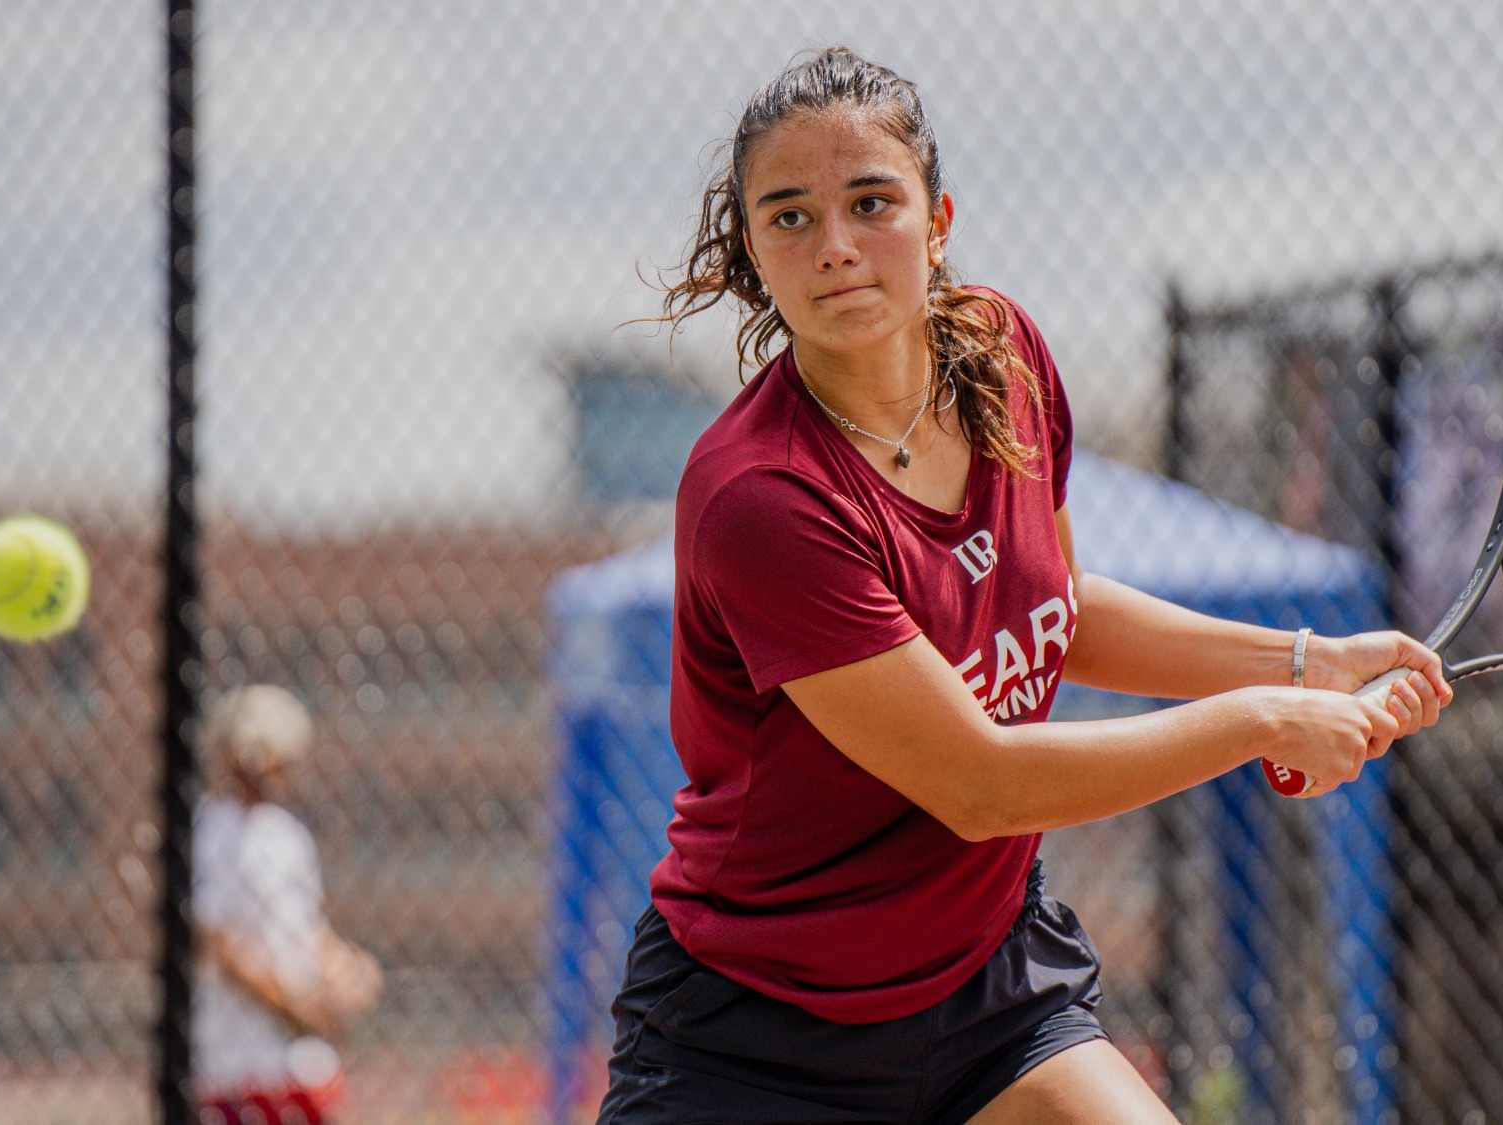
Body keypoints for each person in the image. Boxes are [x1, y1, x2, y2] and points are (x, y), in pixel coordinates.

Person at [597, 47, 1453, 1125]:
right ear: (752, 253)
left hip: (988, 993)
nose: (838, 247)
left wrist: (1301, 661)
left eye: (872, 202)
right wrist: (1261, 718)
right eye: (789, 218)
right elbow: (978, 784)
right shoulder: (758, 497)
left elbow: (1056, 609)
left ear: (937, 220)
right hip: (757, 1039)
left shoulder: (1003, 356)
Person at [192, 684, 383, 1125]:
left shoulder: (286, 835)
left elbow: (310, 931)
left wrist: (345, 971)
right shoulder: (209, 831)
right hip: (236, 1063)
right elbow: (223, 948)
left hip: (300, 1058)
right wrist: (295, 1007)